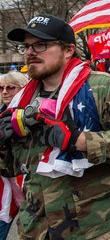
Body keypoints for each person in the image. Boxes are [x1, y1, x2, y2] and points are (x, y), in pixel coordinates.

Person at [1, 13, 110, 239]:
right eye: (27, 47)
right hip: (37, 227)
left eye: (40, 45)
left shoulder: (101, 87)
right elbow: (12, 168)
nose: (30, 53)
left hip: (96, 225)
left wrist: (79, 141)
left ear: (68, 50)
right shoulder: (21, 100)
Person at [0, 71, 28, 240]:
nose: (4, 92)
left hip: (29, 187)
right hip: (6, 190)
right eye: (1, 88)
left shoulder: (31, 113)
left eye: (10, 87)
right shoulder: (1, 114)